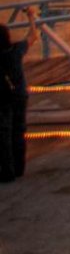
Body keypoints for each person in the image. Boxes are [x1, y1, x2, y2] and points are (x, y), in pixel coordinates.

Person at [0, 23, 26, 181]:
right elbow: (33, 36)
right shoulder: (17, 50)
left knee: (4, 133)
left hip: (3, 96)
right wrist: (30, 17)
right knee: (19, 131)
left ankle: (7, 169)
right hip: (20, 94)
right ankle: (19, 167)